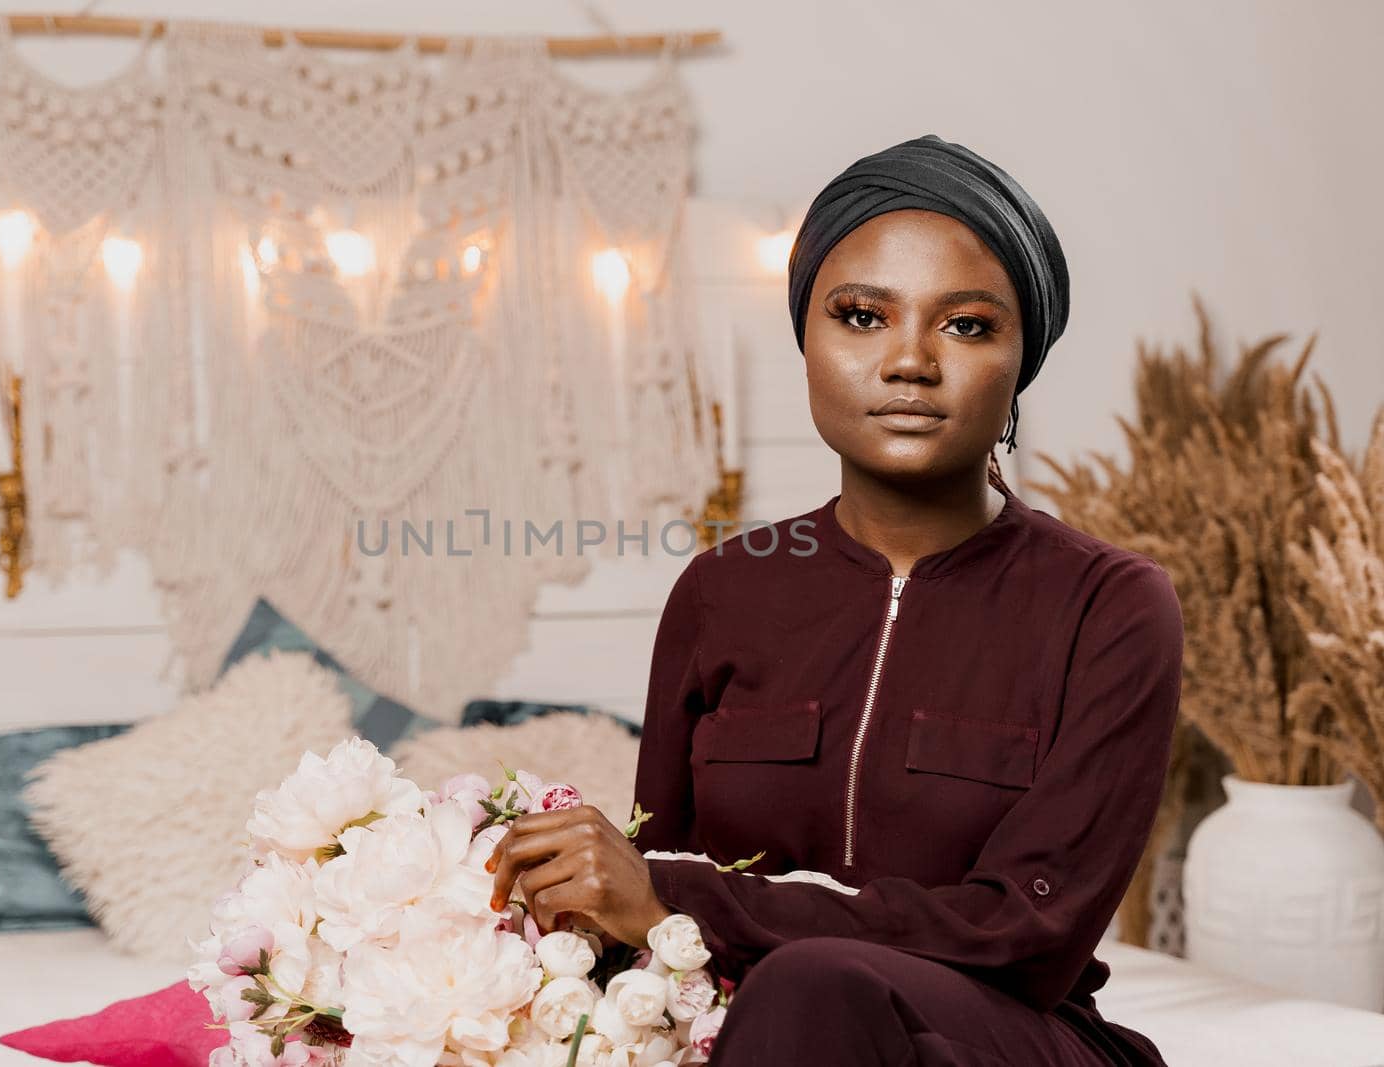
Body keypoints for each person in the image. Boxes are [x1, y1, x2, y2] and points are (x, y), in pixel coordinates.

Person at [486, 133, 1183, 1065]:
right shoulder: (721, 593)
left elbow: (1028, 930)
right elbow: (660, 906)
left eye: (967, 325)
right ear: (806, 341)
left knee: (814, 980)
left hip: (1006, 1039)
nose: (909, 361)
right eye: (861, 316)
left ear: (1022, 358)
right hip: (759, 1035)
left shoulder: (1111, 606)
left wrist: (684, 903)